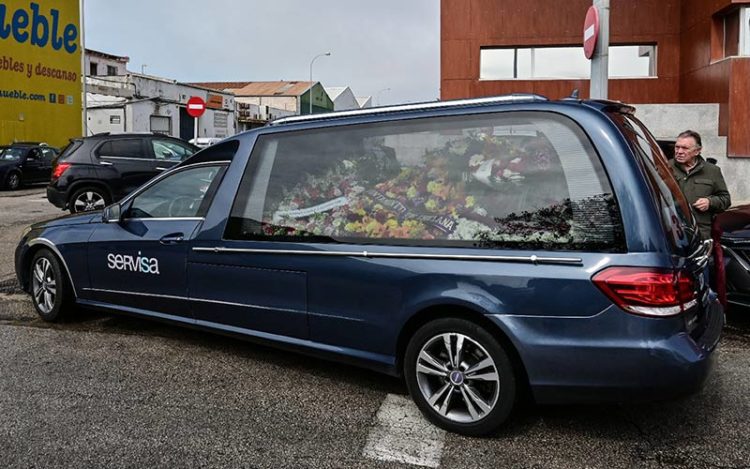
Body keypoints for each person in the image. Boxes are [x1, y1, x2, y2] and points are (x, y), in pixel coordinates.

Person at [670, 130, 731, 240]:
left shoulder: (712, 171)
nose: (679, 151)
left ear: (697, 151)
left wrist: (710, 202)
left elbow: (725, 200)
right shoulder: (664, 168)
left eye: (685, 148)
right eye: (677, 147)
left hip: (700, 234)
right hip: (671, 232)